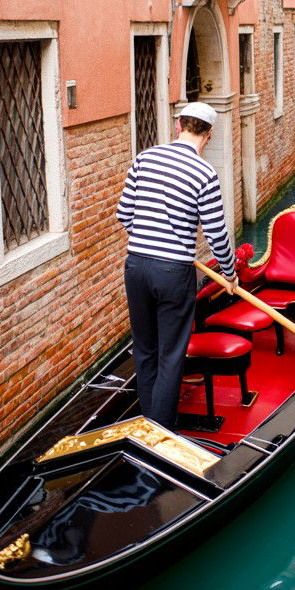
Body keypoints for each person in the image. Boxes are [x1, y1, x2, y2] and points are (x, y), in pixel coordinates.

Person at [116, 101, 237, 430]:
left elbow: (123, 213)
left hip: (136, 266)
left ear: (179, 125)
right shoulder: (204, 173)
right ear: (209, 135)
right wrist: (230, 275)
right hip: (173, 272)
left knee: (144, 348)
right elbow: (216, 233)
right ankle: (162, 431)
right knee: (171, 354)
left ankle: (145, 423)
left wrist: (147, 240)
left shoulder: (145, 158)